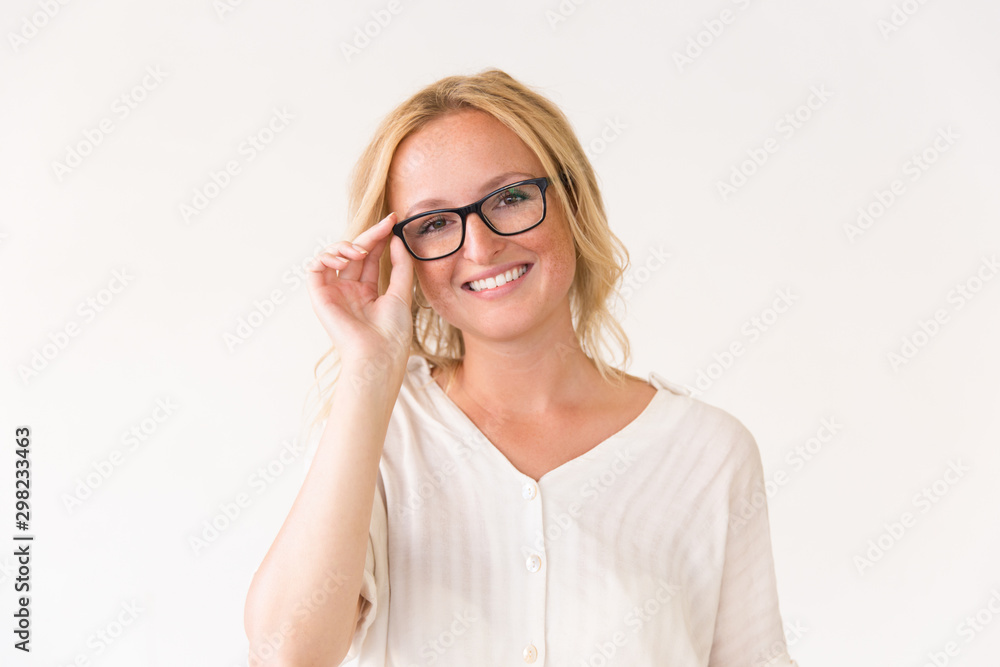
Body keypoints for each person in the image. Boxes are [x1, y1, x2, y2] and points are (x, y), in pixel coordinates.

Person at [244, 68, 799, 667]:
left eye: (509, 198)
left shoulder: (707, 452)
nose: (481, 248)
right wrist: (367, 372)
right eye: (434, 223)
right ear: (405, 258)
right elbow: (285, 654)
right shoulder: (382, 432)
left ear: (572, 200)